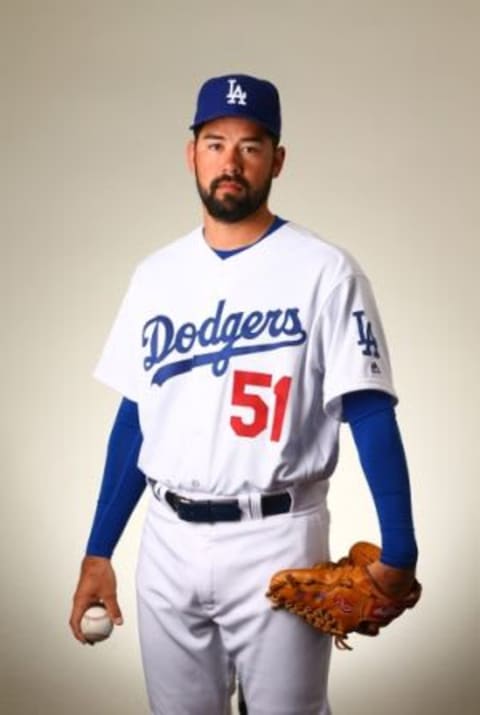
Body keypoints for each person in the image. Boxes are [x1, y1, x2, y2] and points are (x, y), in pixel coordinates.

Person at [70, 74, 418, 715]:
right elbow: (135, 419)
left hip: (278, 536)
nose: (230, 162)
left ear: (277, 160)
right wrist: (99, 549)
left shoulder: (325, 269)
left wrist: (401, 549)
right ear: (192, 152)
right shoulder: (156, 274)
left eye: (251, 146)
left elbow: (368, 408)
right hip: (167, 539)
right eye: (215, 142)